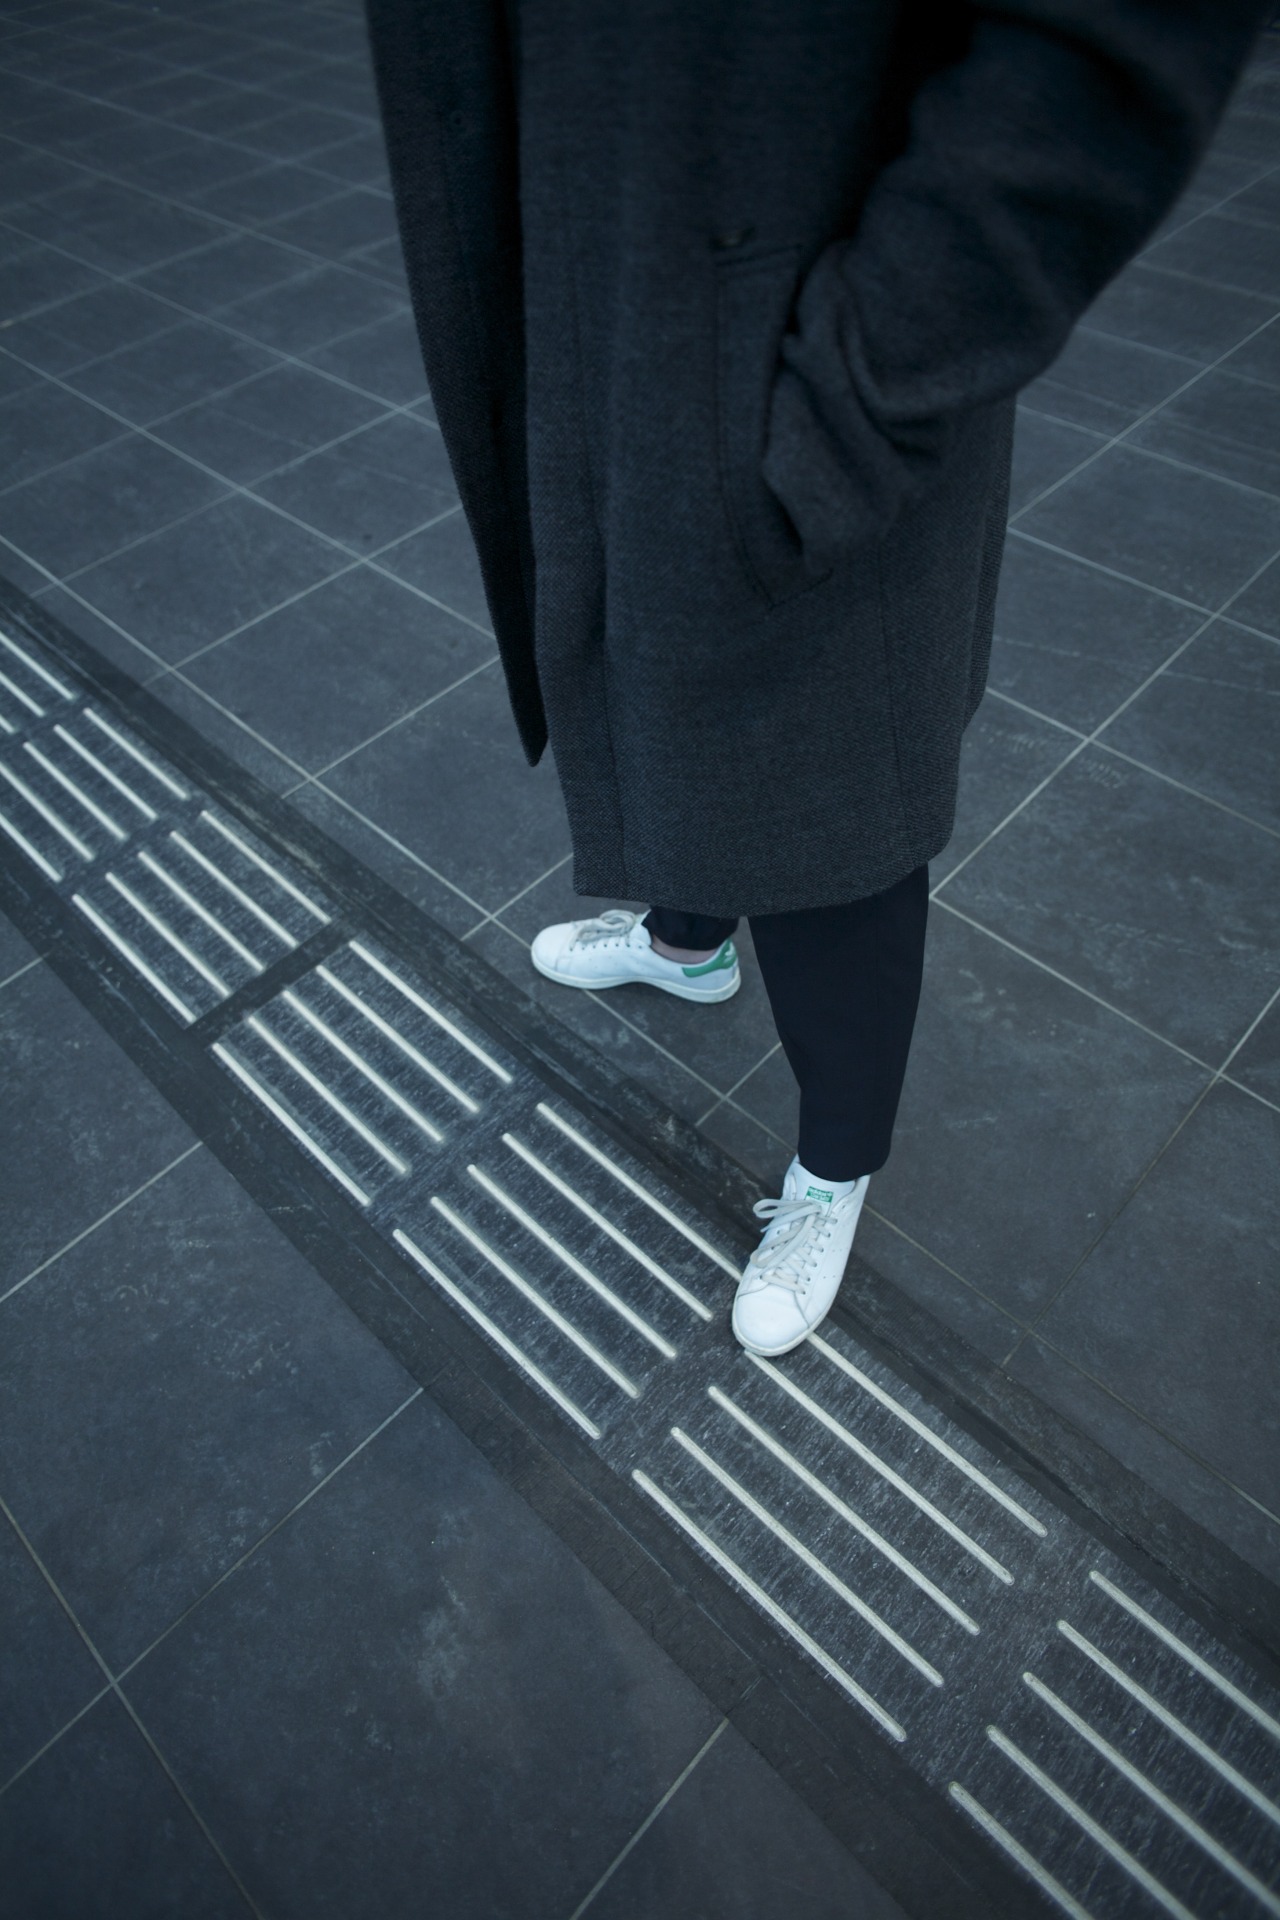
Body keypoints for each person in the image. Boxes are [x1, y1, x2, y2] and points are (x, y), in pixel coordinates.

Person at [366, 0, 1268, 1355]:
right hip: (611, 273)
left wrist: (859, 400)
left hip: (800, 337)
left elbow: (1106, 53)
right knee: (659, 667)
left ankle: (835, 1164)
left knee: (831, 796)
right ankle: (687, 943)